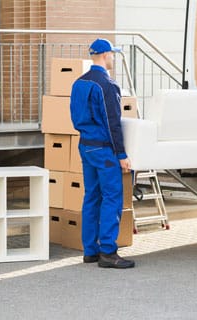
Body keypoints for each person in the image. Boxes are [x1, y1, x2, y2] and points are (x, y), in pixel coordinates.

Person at [70, 38, 134, 269]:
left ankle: (90, 251)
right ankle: (108, 251)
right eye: (113, 54)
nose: (114, 58)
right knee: (112, 197)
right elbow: (112, 123)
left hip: (85, 145)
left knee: (92, 196)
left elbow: (74, 116)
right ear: (106, 55)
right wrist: (121, 154)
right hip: (104, 149)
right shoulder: (107, 85)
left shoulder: (78, 83)